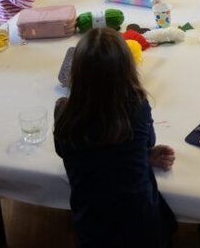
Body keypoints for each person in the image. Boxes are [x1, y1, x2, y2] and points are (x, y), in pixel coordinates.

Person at [54, 28, 177, 247]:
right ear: (127, 70)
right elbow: (147, 142)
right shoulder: (137, 106)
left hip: (92, 227)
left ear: (77, 71)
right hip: (142, 227)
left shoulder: (64, 112)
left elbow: (70, 153)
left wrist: (141, 155)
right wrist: (142, 154)